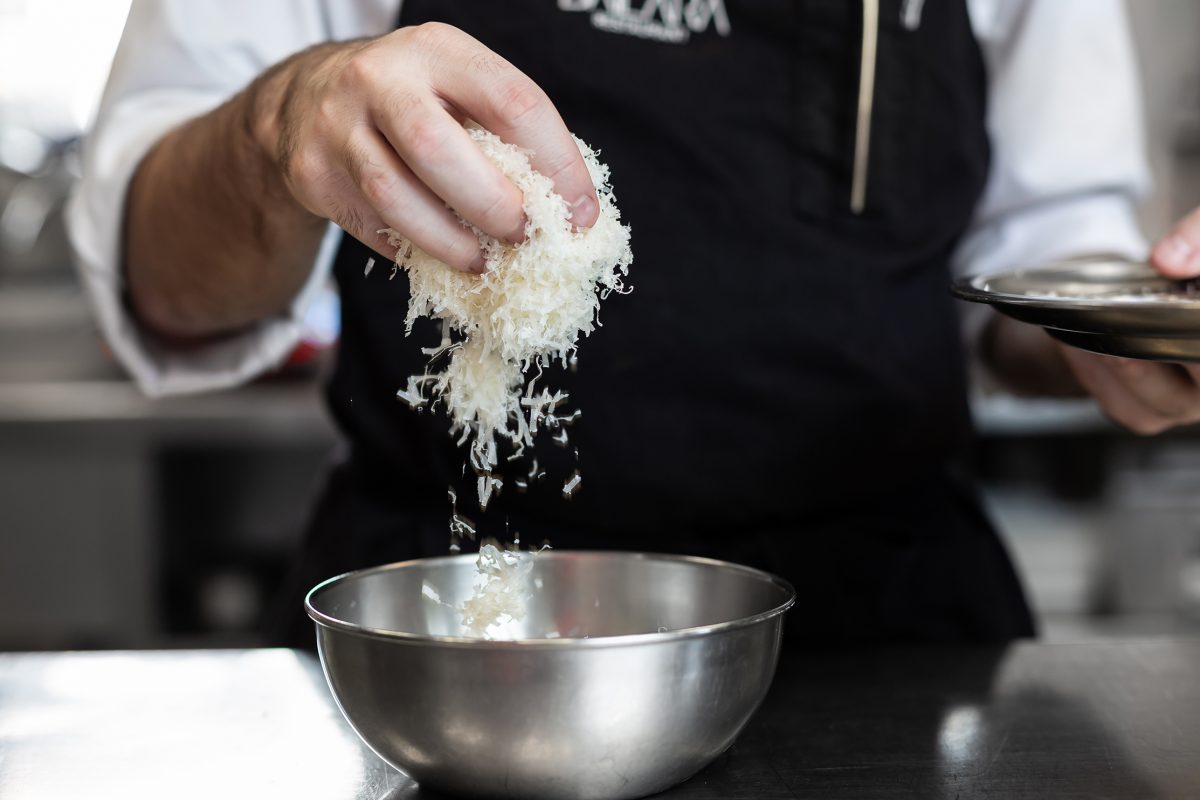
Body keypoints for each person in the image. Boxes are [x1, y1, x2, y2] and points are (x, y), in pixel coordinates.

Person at [67, 0, 1190, 647]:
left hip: (888, 638)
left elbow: (1045, 251)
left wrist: (1149, 322)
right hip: (438, 623)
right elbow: (159, 281)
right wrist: (281, 120)